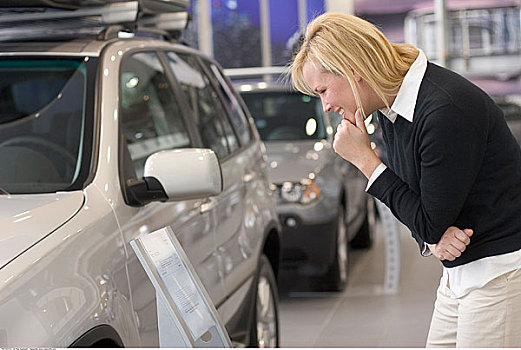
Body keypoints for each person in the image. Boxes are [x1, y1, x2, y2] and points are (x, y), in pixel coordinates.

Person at [290, 12, 521, 347]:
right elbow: (415, 204)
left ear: (354, 69)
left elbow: (424, 217)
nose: (325, 106)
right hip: (461, 271)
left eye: (324, 90)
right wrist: (432, 237)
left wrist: (367, 162)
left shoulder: (443, 109)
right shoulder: (391, 106)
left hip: (498, 271)